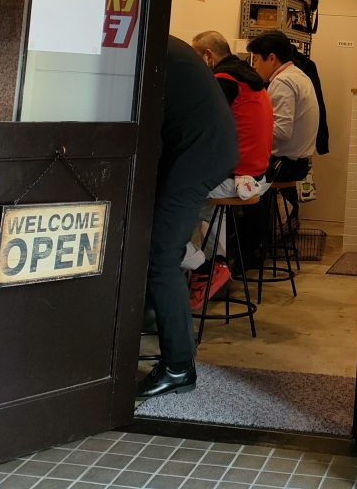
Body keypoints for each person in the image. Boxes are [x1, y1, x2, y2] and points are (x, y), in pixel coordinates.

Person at [137, 36, 239, 399]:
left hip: (198, 155)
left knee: (161, 256)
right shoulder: (160, 43)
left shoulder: (141, 44)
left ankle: (178, 367)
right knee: (156, 248)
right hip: (203, 150)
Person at [186, 31, 273, 286]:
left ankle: (205, 268)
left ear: (208, 56)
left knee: (175, 200)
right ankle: (215, 267)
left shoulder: (223, 80)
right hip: (256, 175)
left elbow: (204, 127)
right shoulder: (249, 78)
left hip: (235, 177)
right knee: (205, 207)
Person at [243, 31, 319, 265]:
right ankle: (254, 247)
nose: (254, 66)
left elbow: (282, 130)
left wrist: (249, 131)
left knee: (242, 182)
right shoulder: (299, 75)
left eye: (256, 59)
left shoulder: (283, 81)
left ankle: (250, 253)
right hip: (296, 163)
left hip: (284, 164)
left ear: (272, 58)